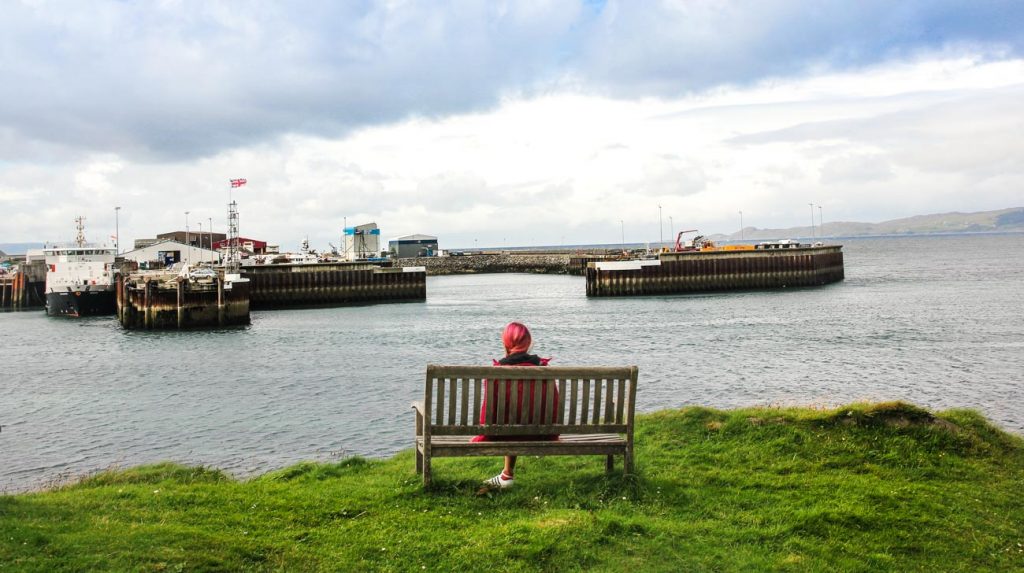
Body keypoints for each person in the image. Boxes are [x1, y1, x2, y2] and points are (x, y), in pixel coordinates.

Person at [474, 321, 558, 490]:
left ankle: (507, 475)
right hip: (540, 433)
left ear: (506, 343)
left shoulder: (496, 372)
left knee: (510, 420)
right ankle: (506, 475)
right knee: (516, 419)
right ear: (529, 342)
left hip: (504, 433)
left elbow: (488, 410)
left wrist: (484, 432)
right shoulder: (543, 369)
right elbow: (553, 403)